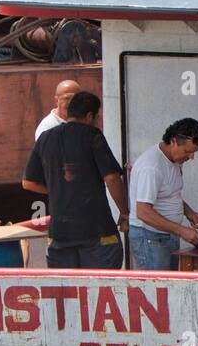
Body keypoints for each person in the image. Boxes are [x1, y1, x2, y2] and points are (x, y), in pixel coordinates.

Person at [22, 90, 128, 269]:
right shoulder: (92, 135)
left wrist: (60, 188)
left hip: (60, 233)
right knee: (100, 288)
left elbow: (28, 183)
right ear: (89, 116)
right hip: (96, 230)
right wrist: (124, 212)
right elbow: (112, 178)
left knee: (68, 292)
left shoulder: (45, 138)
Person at [125, 117, 198, 270]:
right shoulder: (151, 167)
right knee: (159, 289)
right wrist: (182, 231)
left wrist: (189, 212)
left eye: (194, 152)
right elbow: (143, 212)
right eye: (187, 151)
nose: (191, 157)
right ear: (173, 141)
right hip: (150, 237)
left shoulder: (175, 161)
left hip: (167, 235)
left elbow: (169, 193)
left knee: (169, 287)